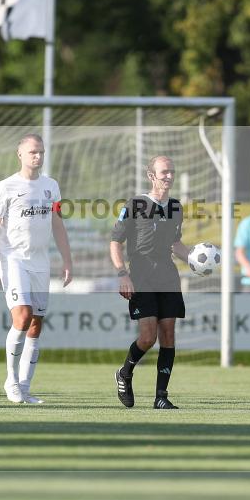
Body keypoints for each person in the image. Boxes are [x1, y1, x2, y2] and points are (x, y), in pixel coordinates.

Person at [0, 134, 72, 404]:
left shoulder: (51, 187)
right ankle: (10, 381)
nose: (38, 156)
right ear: (20, 154)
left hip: (41, 262)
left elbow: (57, 223)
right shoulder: (6, 187)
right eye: (33, 152)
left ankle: (24, 387)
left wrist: (67, 260)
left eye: (41, 152)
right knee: (22, 317)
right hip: (13, 260)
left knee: (36, 325)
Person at [111, 156, 191, 410]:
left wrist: (194, 259)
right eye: (164, 172)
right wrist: (122, 274)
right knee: (148, 337)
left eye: (172, 172)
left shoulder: (176, 208)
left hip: (168, 277)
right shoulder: (135, 204)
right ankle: (125, 373)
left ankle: (161, 396)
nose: (169, 176)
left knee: (168, 335)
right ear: (151, 175)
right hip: (141, 278)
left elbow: (174, 244)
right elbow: (115, 242)